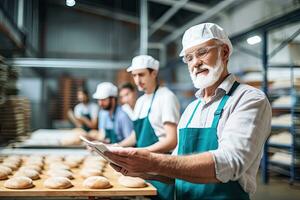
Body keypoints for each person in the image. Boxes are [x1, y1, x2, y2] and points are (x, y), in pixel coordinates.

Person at [105, 23, 272, 200]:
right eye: (189, 58)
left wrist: (152, 160)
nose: (196, 63)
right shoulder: (192, 109)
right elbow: (176, 169)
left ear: (224, 52)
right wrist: (143, 171)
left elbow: (230, 162)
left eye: (202, 52)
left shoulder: (248, 98)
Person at [116, 55, 180, 200]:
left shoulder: (166, 97)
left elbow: (172, 140)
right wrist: (117, 147)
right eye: (134, 75)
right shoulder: (140, 101)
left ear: (154, 73)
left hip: (161, 168)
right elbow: (136, 135)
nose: (137, 80)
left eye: (141, 74)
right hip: (143, 165)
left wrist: (140, 152)